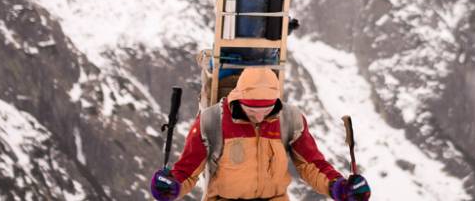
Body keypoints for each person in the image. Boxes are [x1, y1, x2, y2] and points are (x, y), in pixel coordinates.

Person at [150, 67, 371, 201]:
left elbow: (312, 164)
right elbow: (187, 170)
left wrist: (339, 188)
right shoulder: (211, 120)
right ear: (238, 98)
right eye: (252, 109)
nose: (259, 115)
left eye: (266, 109)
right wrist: (172, 187)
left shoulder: (289, 118)